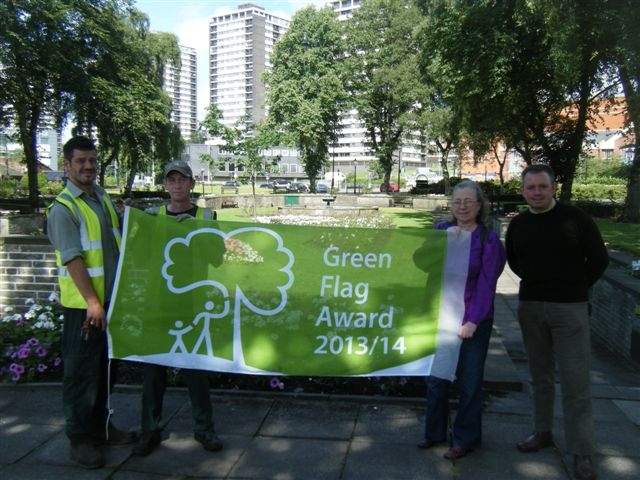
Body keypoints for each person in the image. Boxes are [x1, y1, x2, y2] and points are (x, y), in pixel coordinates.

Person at [505, 164, 608, 480]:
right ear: (523, 191)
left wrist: (575, 287)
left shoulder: (575, 219)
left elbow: (599, 260)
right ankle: (542, 431)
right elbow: (514, 261)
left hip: (570, 309)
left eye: (542, 187)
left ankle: (582, 451)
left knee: (576, 382)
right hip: (531, 306)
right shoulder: (519, 224)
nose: (536, 192)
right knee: (540, 375)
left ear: (553, 188)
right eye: (530, 188)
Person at [46, 136, 137, 469]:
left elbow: (114, 243)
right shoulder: (63, 208)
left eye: (92, 161)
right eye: (81, 161)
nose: (88, 167)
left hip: (108, 302)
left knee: (104, 372)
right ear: (66, 165)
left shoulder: (100, 198)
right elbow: (73, 259)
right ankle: (79, 439)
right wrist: (92, 302)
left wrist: (128, 215)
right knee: (81, 375)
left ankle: (102, 429)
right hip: (84, 308)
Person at [132, 160, 223, 457]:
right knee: (153, 370)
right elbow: (140, 256)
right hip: (160, 302)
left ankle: (204, 429)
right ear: (165, 185)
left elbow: (218, 258)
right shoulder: (153, 217)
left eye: (182, 179)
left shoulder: (207, 215)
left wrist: (195, 233)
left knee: (196, 369)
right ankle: (150, 430)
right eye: (171, 180)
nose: (177, 185)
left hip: (194, 303)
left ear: (192, 184)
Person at [416, 180, 506, 460]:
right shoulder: (442, 231)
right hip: (440, 316)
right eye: (457, 201)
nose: (463, 206)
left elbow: (487, 284)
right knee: (436, 379)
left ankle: (465, 439)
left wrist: (473, 321)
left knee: (469, 381)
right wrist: (441, 244)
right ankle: (434, 434)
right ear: (451, 205)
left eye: (469, 201)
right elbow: (420, 261)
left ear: (480, 206)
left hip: (472, 321)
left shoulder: (487, 239)